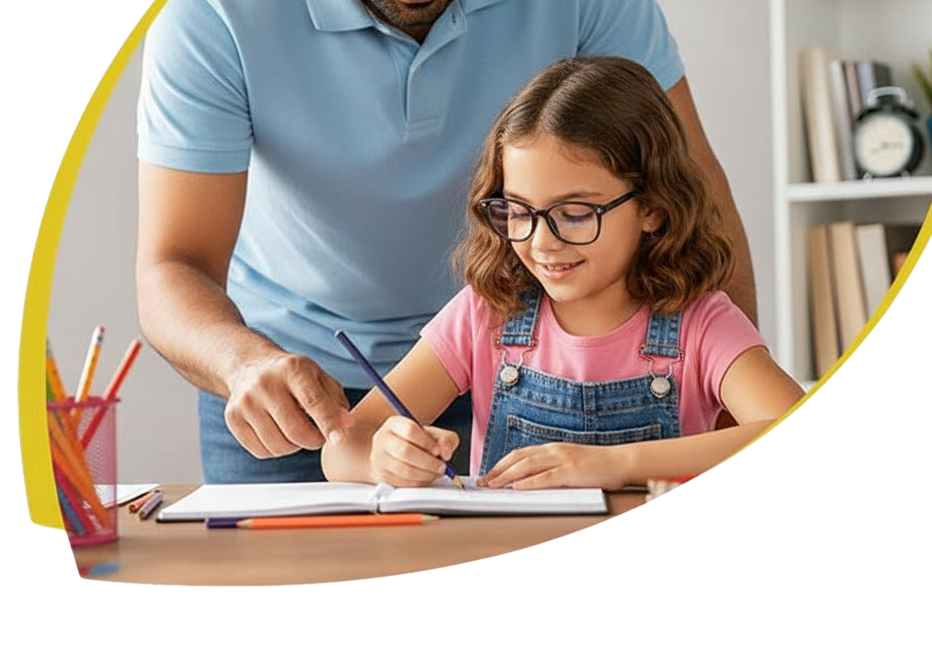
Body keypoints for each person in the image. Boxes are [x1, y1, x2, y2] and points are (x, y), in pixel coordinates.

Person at [135, 0, 759, 484]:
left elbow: (686, 178)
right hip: (305, 387)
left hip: (542, 356)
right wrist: (245, 363)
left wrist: (724, 391)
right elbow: (173, 266)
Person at [322, 57, 804, 488]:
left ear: (653, 208)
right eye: (518, 211)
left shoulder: (701, 323)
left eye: (575, 213)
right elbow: (343, 447)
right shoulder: (487, 313)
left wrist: (615, 463)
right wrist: (380, 459)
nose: (540, 241)